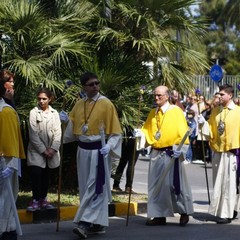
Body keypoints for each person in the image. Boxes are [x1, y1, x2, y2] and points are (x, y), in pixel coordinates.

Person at [62, 72, 122, 239]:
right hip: (82, 151)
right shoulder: (79, 104)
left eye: (97, 83)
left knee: (95, 187)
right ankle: (98, 224)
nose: (95, 86)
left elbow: (116, 132)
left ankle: (85, 223)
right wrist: (64, 121)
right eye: (91, 84)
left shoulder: (106, 104)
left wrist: (108, 146)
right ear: (84, 87)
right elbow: (71, 132)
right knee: (85, 187)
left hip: (98, 152)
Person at [135, 85, 193, 226]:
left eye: (159, 95)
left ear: (167, 96)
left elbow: (184, 132)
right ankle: (159, 215)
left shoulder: (176, 111)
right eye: (155, 95)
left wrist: (181, 149)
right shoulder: (152, 113)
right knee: (157, 186)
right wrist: (140, 134)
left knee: (175, 185)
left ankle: (184, 212)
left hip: (172, 153)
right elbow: (147, 130)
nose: (156, 98)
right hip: (156, 153)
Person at [198, 84, 240, 224]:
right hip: (217, 151)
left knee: (229, 184)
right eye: (218, 94)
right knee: (219, 183)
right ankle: (223, 210)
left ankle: (227, 214)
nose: (219, 96)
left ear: (230, 95)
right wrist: (202, 124)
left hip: (231, 153)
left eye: (222, 94)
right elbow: (210, 131)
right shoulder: (215, 111)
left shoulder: (238, 112)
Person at [27, 87, 61, 211]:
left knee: (46, 174)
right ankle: (35, 199)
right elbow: (33, 134)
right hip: (36, 150)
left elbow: (58, 132)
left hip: (51, 151)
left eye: (44, 99)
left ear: (50, 99)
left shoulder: (55, 113)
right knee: (36, 173)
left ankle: (43, 198)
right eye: (39, 99)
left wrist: (52, 149)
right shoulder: (33, 112)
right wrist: (43, 150)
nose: (41, 101)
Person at [0, 81, 26, 240]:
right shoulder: (5, 111)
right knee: (4, 198)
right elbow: (11, 140)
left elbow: (10, 140)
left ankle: (7, 229)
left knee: (5, 197)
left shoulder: (6, 111)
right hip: (4, 161)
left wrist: (12, 163)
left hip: (4, 160)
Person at [112, 127, 141, 193]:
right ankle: (128, 187)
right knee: (131, 164)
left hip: (125, 139)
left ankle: (115, 186)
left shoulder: (126, 122)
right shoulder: (139, 118)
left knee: (122, 163)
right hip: (134, 139)